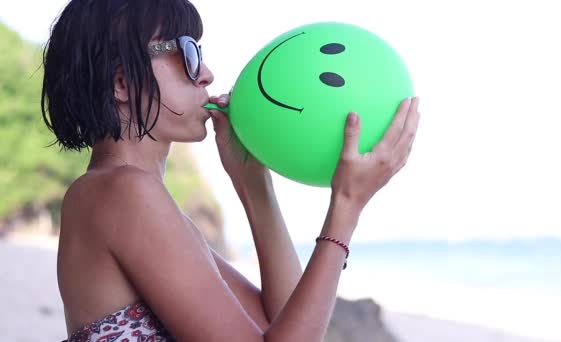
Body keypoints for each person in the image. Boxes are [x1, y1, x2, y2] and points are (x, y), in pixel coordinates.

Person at [40, 0, 420, 341]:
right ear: (122, 83)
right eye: (187, 53)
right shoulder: (121, 192)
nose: (206, 73)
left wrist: (254, 186)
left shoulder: (127, 196)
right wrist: (346, 206)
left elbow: (281, 320)